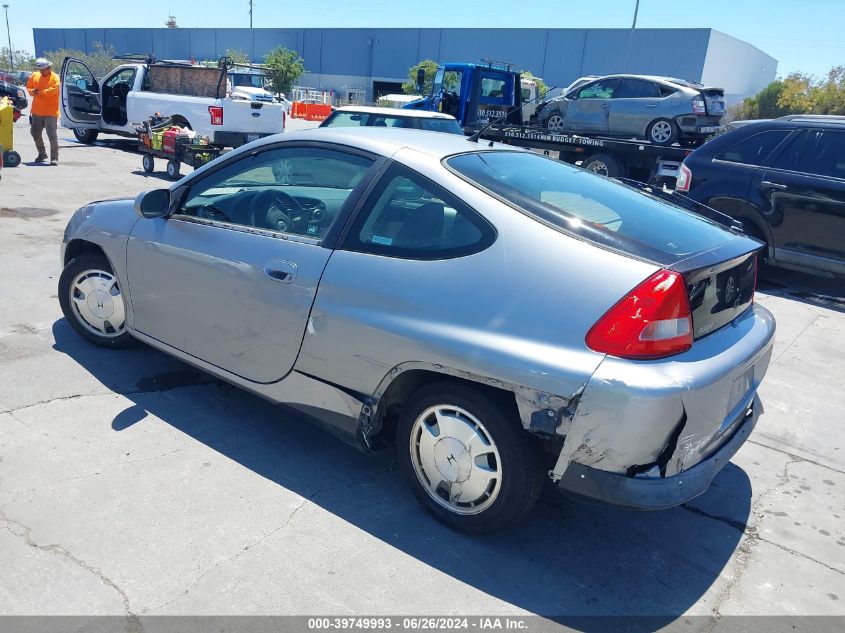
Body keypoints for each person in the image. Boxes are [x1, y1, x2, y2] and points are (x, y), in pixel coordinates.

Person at [26, 58, 61, 165]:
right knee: (35, 133)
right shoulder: (34, 75)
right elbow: (28, 87)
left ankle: (54, 157)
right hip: (37, 111)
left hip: (50, 112)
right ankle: (42, 153)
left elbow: (53, 90)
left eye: (43, 69)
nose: (41, 72)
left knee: (52, 135)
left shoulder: (55, 77)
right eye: (39, 69)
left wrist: (40, 93)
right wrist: (33, 91)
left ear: (48, 68)